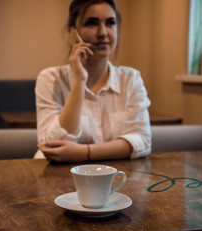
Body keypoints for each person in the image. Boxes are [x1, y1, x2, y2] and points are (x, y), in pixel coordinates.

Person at [35, 0, 151, 162]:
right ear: (72, 32)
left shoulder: (130, 79)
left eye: (110, 23)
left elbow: (141, 140)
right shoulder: (50, 79)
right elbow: (52, 147)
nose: (102, 32)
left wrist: (85, 152)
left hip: (113, 176)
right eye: (91, 23)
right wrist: (79, 81)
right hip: (55, 176)